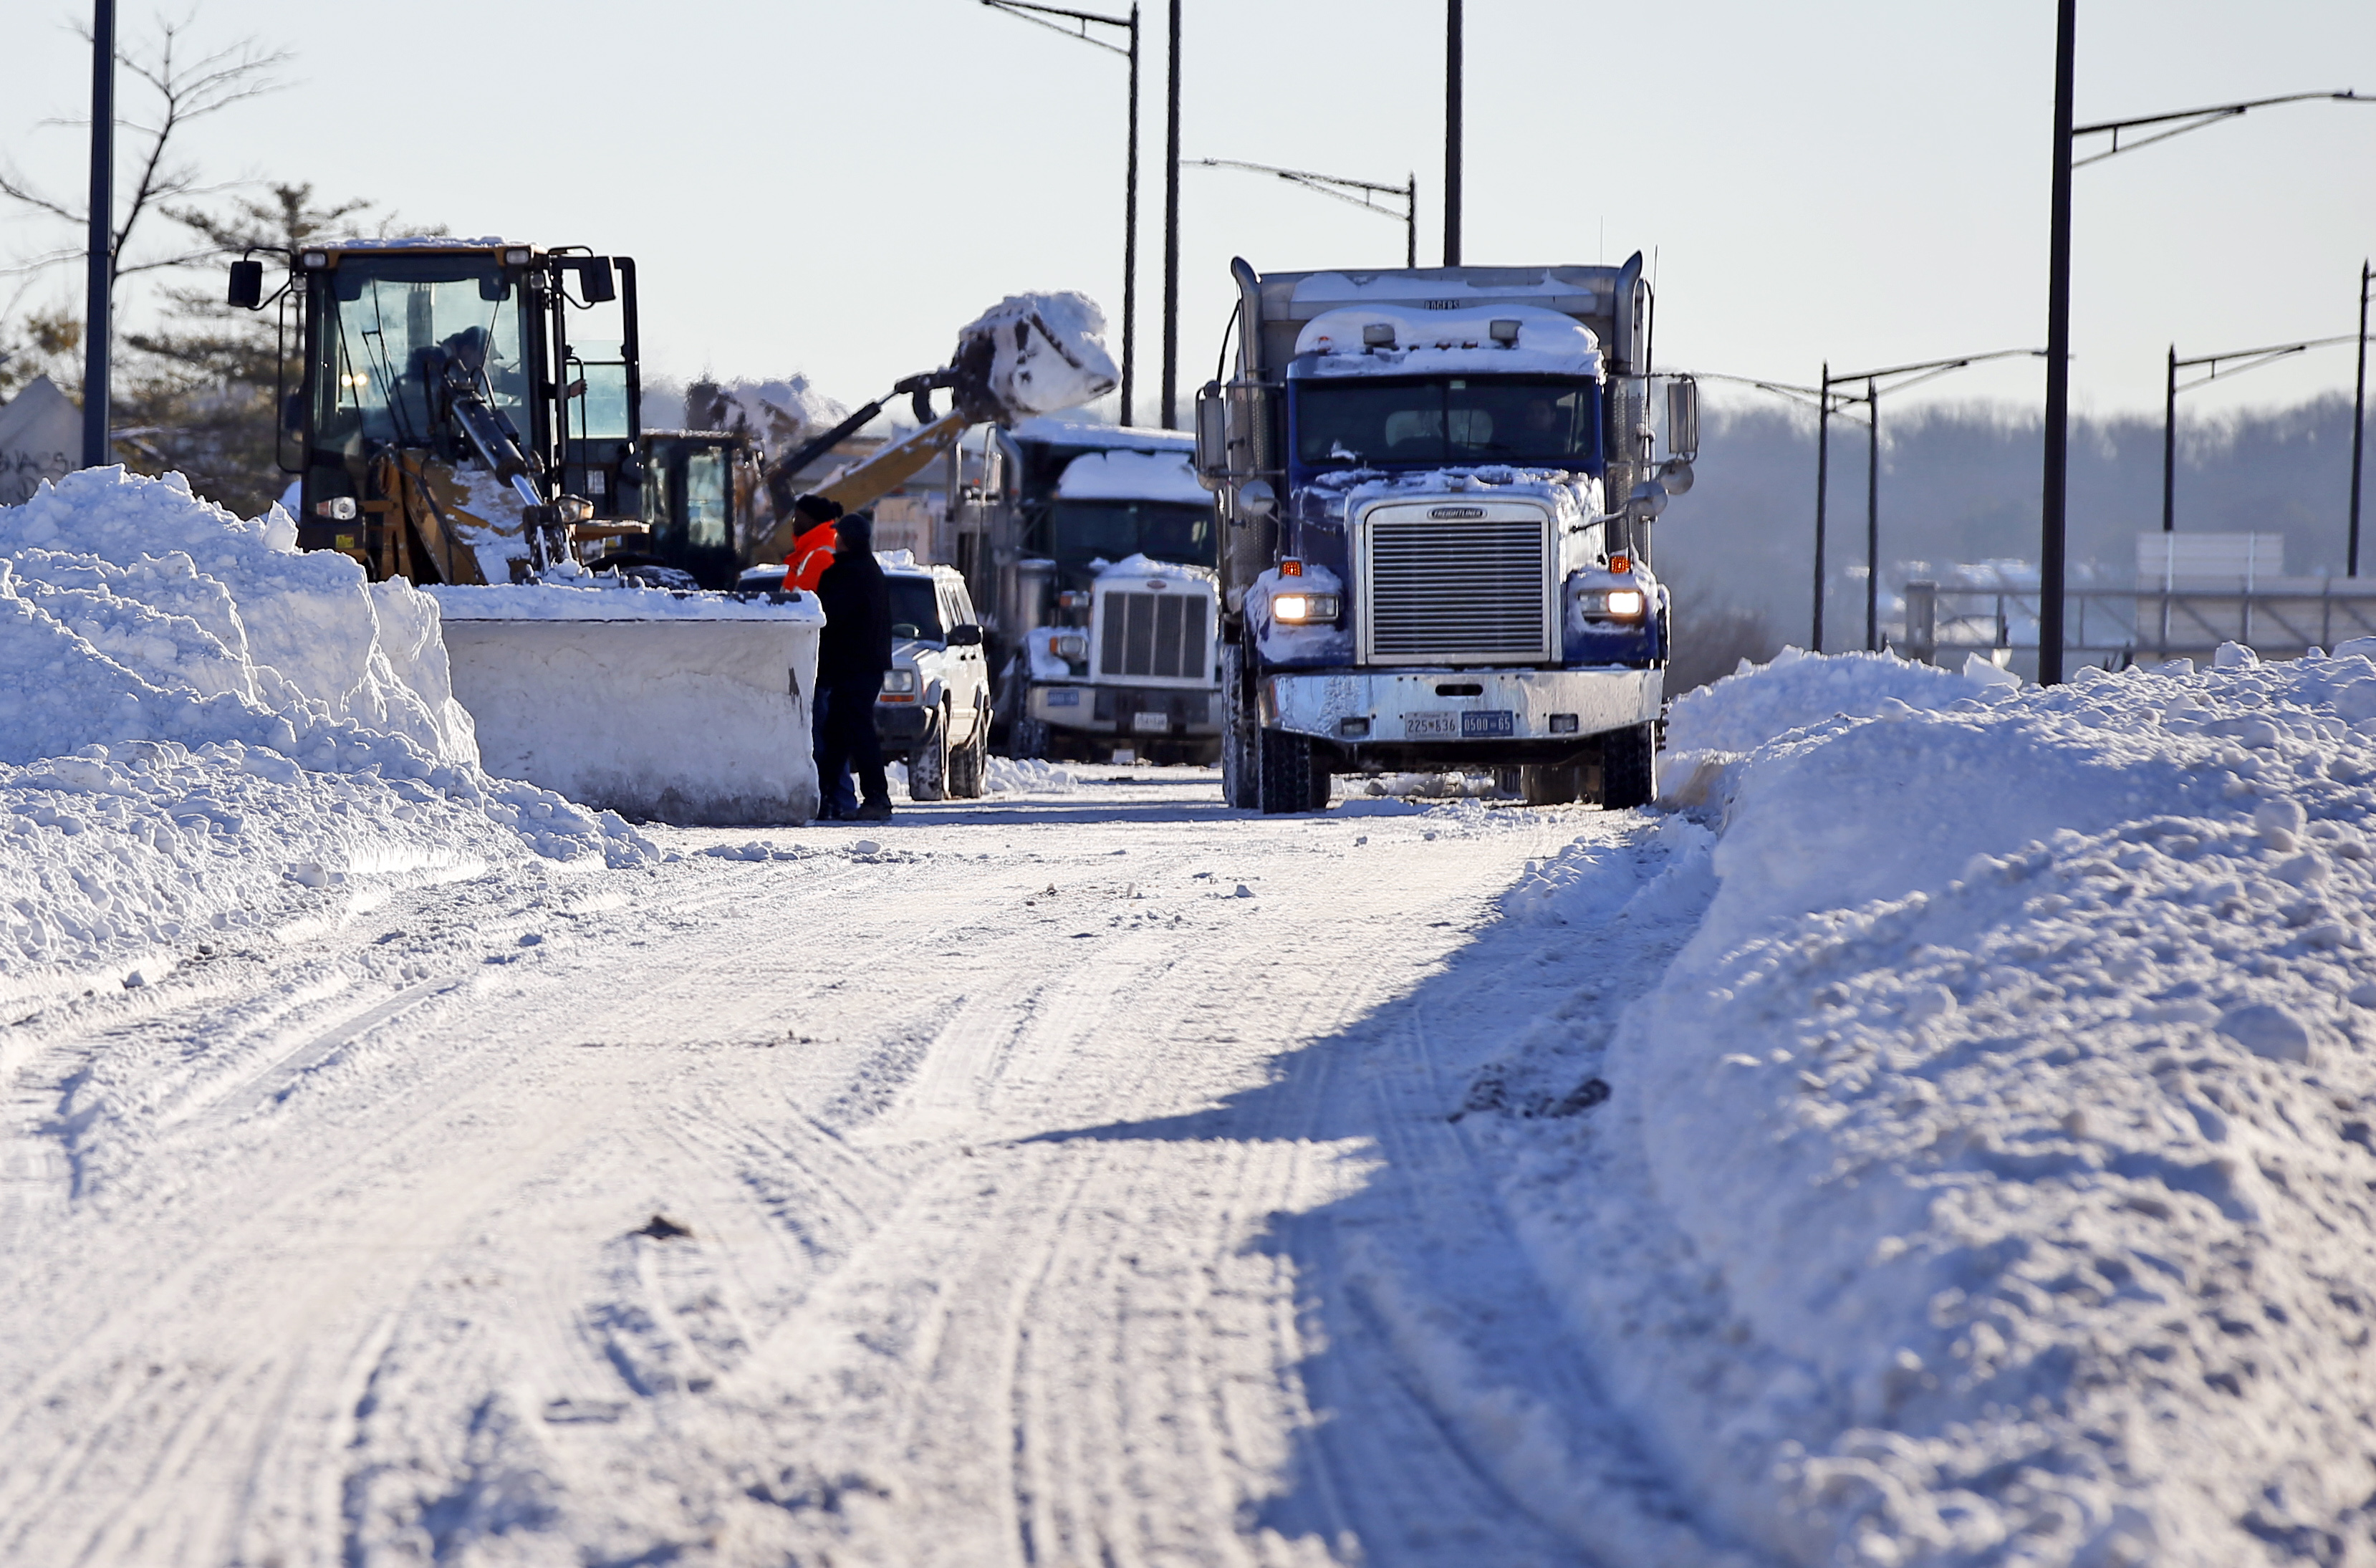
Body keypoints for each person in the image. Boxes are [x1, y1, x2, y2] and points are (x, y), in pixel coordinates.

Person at [812, 510, 895, 822]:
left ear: (844, 540)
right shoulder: (870, 571)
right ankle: (826, 796)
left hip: (853, 668)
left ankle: (876, 798)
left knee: (856, 730)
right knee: (838, 733)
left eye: (838, 536)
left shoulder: (847, 574)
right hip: (864, 667)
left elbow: (830, 621)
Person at [784, 492, 842, 592]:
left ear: (811, 520)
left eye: (796, 517)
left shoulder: (822, 555)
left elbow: (802, 601)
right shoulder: (810, 550)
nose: (794, 523)